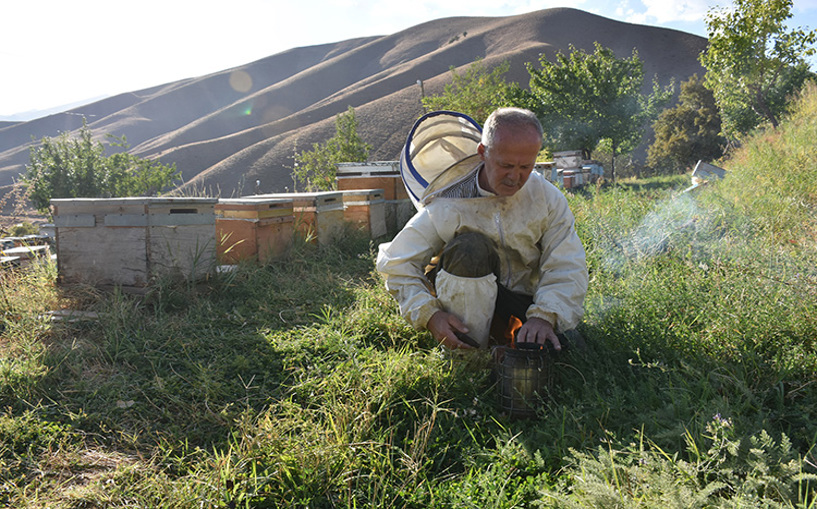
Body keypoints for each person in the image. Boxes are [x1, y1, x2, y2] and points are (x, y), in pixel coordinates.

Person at [376, 107, 588, 351]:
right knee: (469, 248)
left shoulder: (547, 198)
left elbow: (567, 263)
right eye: (506, 165)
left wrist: (546, 316)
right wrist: (430, 315)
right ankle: (469, 357)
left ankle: (516, 339)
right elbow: (397, 262)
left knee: (570, 350)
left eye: (525, 167)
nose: (515, 177)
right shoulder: (448, 203)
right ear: (482, 153)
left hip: (526, 304)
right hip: (465, 307)